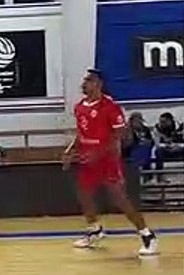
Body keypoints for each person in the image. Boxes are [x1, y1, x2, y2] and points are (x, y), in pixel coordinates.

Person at [63, 69, 157, 256]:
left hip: (107, 160)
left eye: (88, 80)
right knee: (84, 195)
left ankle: (147, 235)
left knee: (119, 199)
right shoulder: (80, 106)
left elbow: (120, 136)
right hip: (87, 160)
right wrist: (70, 150)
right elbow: (81, 133)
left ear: (98, 84)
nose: (83, 84)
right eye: (84, 80)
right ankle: (94, 230)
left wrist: (99, 153)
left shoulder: (110, 107)